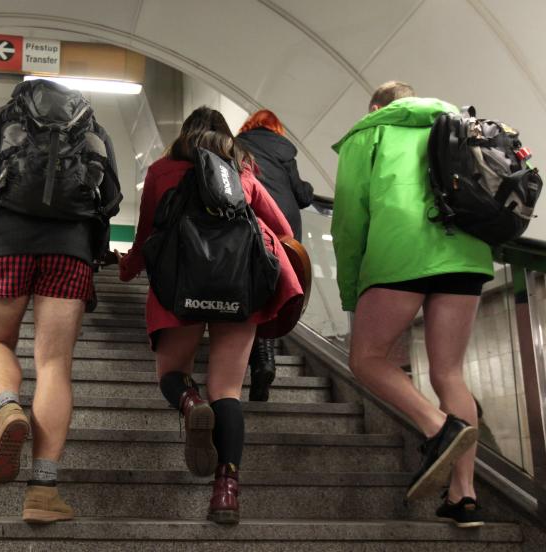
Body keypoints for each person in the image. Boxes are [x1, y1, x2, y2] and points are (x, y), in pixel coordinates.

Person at [117, 106, 303, 524]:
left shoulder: (163, 170)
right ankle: (226, 492)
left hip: (178, 283)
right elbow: (283, 230)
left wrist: (127, 268)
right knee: (228, 390)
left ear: (184, 134)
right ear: (225, 137)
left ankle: (189, 402)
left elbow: (147, 235)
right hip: (239, 287)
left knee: (171, 373)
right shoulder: (241, 168)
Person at [0, 79, 121, 524]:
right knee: (53, 364)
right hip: (70, 248)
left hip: (4, 241)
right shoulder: (92, 128)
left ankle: (8, 407)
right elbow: (112, 200)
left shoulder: (0, 118)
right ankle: (43, 491)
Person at [331, 81, 492, 528]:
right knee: (449, 374)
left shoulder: (369, 133)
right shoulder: (457, 123)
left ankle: (439, 429)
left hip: (399, 256)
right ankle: (464, 496)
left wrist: (351, 290)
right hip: (466, 254)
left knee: (366, 359)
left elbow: (348, 220)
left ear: (378, 106)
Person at [237, 109, 315, 403]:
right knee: (274, 291)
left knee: (254, 290)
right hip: (286, 230)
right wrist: (306, 188)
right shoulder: (285, 150)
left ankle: (261, 359)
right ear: (276, 129)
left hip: (253, 223)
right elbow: (302, 195)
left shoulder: (237, 145)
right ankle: (265, 358)